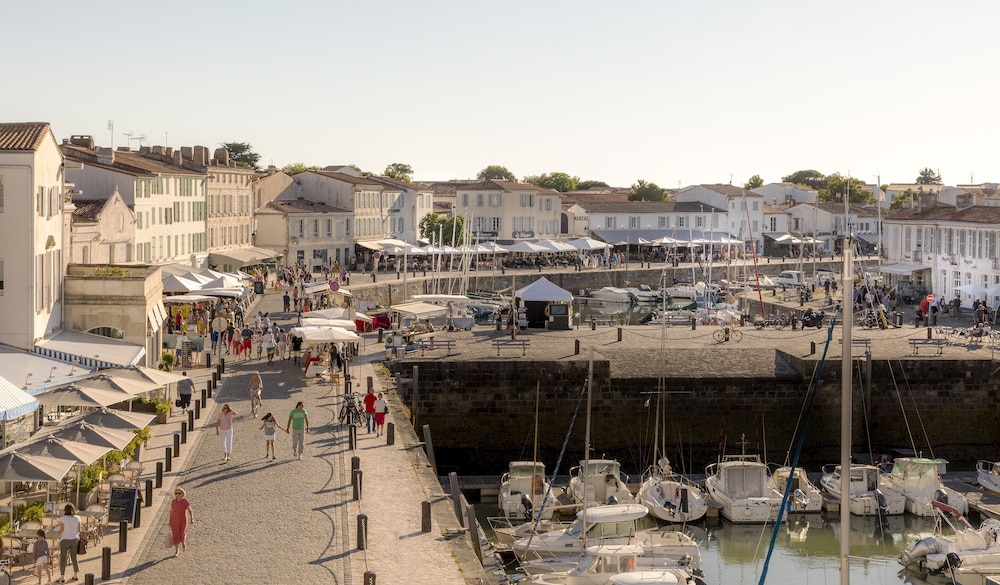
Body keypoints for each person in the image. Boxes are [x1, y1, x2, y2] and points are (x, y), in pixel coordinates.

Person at [55, 503, 80, 583]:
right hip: (74, 539)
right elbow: (79, 530)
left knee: (63, 558)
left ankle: (62, 576)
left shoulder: (63, 518)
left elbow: (61, 531)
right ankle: (76, 574)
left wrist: (55, 533)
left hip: (65, 539)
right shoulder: (78, 518)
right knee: (74, 557)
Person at [169, 487, 194, 557]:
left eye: (179, 493)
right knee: (176, 535)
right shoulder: (173, 501)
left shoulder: (185, 501)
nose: (177, 495)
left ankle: (183, 542)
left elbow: (190, 510)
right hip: (175, 520)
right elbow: (171, 511)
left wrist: (192, 518)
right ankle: (177, 551)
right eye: (176, 493)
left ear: (183, 494)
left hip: (183, 520)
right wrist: (170, 520)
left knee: (182, 534)